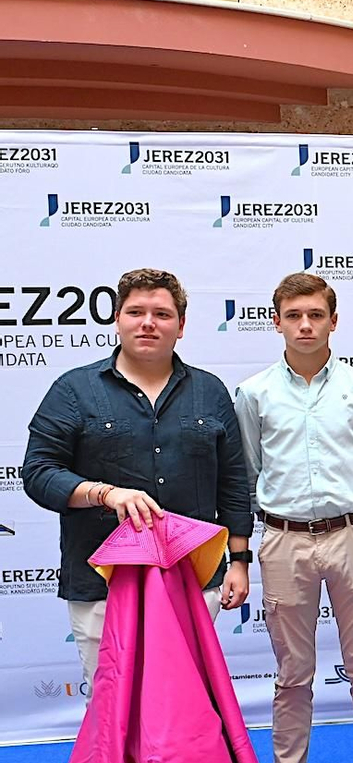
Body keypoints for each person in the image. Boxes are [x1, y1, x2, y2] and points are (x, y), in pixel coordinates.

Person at [233, 272, 353, 763]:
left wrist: (349, 520)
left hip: (352, 534)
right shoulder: (255, 393)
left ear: (334, 321)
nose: (305, 325)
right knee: (292, 674)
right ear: (276, 321)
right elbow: (250, 471)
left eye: (315, 315)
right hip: (283, 539)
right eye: (293, 315)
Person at [23, 267, 251, 685]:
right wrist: (103, 494)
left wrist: (239, 561)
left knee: (185, 702)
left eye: (162, 314)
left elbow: (233, 484)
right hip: (102, 582)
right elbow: (38, 473)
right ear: (117, 319)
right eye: (136, 312)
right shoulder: (73, 390)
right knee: (112, 708)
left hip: (193, 578)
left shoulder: (210, 391)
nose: (148, 323)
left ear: (181, 326)